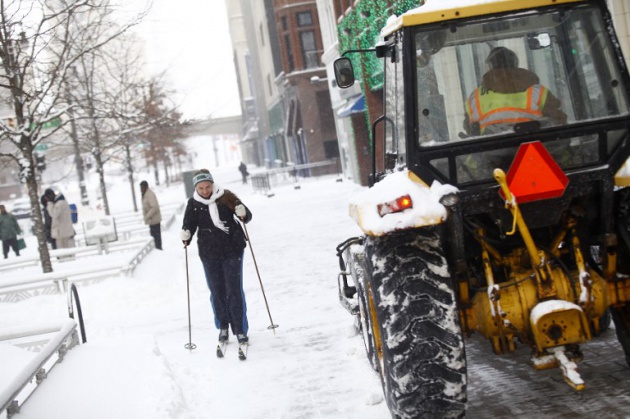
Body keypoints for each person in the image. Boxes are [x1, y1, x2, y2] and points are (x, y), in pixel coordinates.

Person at [180, 169, 252, 345]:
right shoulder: (193, 203)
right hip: (209, 252)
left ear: (212, 184)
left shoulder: (226, 196)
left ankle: (240, 329)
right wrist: (186, 235)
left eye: (207, 186)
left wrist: (242, 212)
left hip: (232, 248)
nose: (205, 191)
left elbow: (246, 216)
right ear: (196, 188)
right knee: (216, 290)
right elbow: (188, 225)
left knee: (234, 289)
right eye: (201, 188)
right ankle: (223, 327)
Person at [464, 46, 567, 136]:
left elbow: (472, 131)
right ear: (515, 64)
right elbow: (559, 121)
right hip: (537, 146)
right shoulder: (538, 91)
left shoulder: (475, 98)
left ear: (490, 67)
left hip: (494, 153)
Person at [140, 180, 162, 250]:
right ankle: (157, 250)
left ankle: (159, 251)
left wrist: (147, 216)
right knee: (154, 238)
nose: (141, 189)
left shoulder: (150, 195)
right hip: (151, 221)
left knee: (156, 239)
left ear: (146, 187)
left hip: (154, 220)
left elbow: (155, 207)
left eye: (142, 187)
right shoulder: (145, 195)